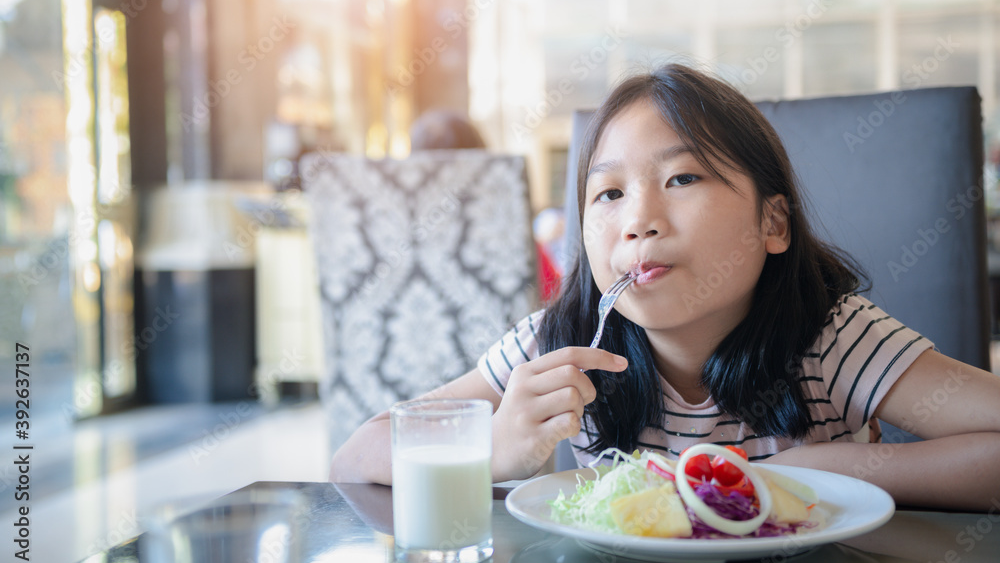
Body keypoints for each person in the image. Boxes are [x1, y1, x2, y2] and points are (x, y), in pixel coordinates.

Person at [331, 63, 1000, 511]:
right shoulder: (561, 341)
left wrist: (821, 471)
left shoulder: (828, 333)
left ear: (772, 222)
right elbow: (358, 455)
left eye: (681, 179)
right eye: (609, 193)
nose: (638, 221)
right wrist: (495, 447)